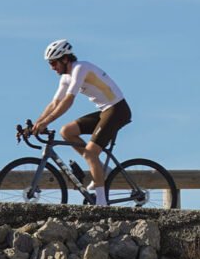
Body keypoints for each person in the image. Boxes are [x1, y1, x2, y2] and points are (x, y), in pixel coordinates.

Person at [22, 39, 131, 206]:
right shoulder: (66, 78)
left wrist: (47, 122)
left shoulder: (80, 68)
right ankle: (101, 170)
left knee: (90, 153)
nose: (52, 67)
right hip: (105, 110)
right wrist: (37, 124)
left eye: (53, 63)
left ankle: (102, 203)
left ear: (65, 59)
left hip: (117, 110)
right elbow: (54, 103)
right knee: (66, 131)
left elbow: (68, 100)